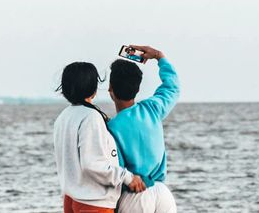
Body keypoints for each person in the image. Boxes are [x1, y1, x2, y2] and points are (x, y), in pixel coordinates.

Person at [53, 62, 146, 213]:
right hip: (93, 202)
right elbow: (93, 164)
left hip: (71, 198)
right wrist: (128, 177)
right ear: (93, 89)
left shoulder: (64, 116)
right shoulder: (90, 116)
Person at [107, 45, 180, 213]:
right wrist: (159, 56)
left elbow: (116, 170)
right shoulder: (152, 108)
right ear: (138, 89)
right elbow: (172, 87)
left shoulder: (111, 128)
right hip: (162, 193)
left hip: (136, 195)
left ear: (111, 89)